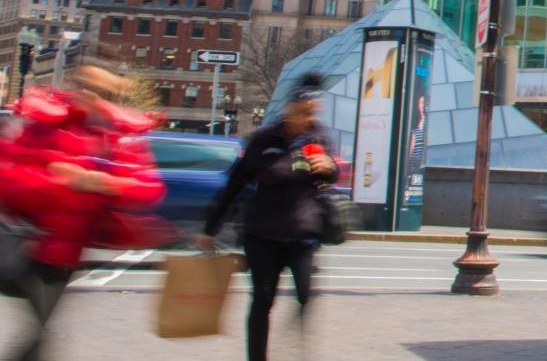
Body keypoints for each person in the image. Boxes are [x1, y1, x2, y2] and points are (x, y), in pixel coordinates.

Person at [0, 67, 167, 361]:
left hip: (63, 254)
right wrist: (61, 182)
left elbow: (148, 188)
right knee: (38, 334)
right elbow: (8, 175)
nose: (90, 95)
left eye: (103, 92)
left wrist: (105, 183)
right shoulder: (46, 122)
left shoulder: (117, 135)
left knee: (39, 333)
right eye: (85, 85)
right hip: (26, 241)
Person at [199, 73, 339, 361]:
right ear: (290, 109)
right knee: (262, 302)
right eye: (302, 112)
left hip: (303, 233)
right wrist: (209, 229)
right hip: (262, 234)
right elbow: (234, 185)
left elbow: (327, 180)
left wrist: (330, 168)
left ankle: (294, 348)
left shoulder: (318, 138)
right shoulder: (264, 140)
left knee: (305, 296)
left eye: (312, 114)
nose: (307, 119)